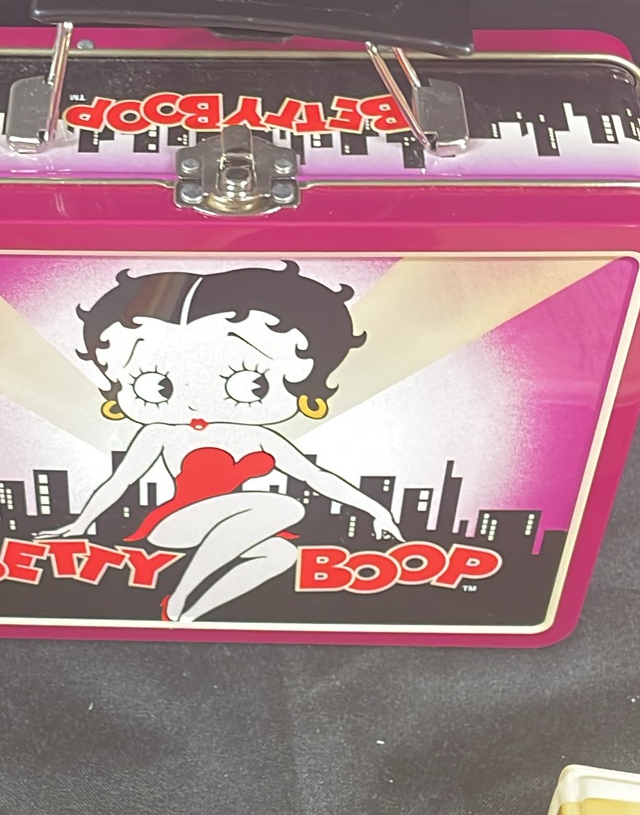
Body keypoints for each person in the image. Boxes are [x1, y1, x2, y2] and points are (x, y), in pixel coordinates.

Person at [54, 262, 400, 623]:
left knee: (280, 554)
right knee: (287, 507)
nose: (194, 395)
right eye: (154, 384)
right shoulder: (162, 433)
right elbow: (121, 481)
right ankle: (181, 595)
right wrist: (81, 524)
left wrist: (378, 511)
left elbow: (316, 477)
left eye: (249, 382)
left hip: (228, 526)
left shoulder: (259, 437)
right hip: (174, 524)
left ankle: (191, 616)